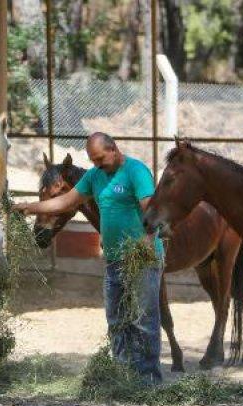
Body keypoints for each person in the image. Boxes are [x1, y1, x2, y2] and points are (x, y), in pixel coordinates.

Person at [14, 132, 164, 384]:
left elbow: (152, 209)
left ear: (114, 150)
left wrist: (147, 240)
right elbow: (65, 201)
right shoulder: (95, 176)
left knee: (144, 320)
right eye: (93, 160)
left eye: (100, 159)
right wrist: (30, 207)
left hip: (142, 260)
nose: (96, 165)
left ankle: (148, 380)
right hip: (115, 260)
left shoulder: (136, 172)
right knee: (117, 320)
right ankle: (122, 376)